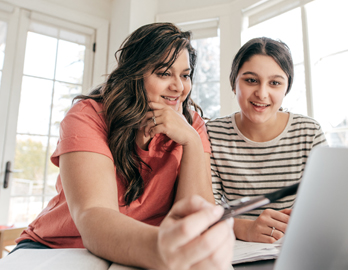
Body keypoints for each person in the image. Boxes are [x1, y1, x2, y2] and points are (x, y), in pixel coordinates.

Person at [13, 22, 234, 270]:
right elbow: (94, 216)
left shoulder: (192, 126)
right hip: (58, 249)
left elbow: (195, 218)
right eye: (163, 73)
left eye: (185, 75)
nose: (179, 87)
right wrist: (162, 248)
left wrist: (191, 140)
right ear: (135, 74)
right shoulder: (88, 116)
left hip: (136, 254)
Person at [206, 37, 327, 244]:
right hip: (236, 251)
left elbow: (326, 204)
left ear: (286, 88)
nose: (262, 93)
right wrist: (245, 228)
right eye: (251, 80)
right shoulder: (212, 134)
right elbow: (207, 212)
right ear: (234, 83)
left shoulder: (309, 132)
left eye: (275, 83)